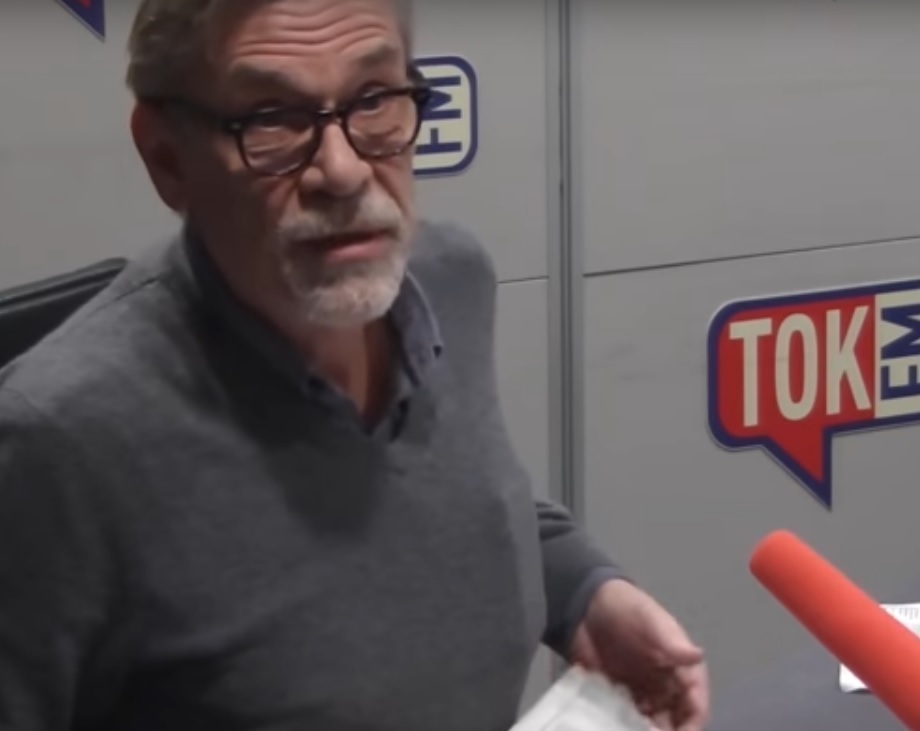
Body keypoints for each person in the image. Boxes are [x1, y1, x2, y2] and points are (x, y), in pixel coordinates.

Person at [0, 0, 710, 729]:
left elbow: (461, 501)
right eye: (272, 119)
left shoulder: (450, 278)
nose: (341, 171)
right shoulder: (60, 440)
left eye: (372, 100)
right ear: (168, 157)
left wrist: (587, 595)